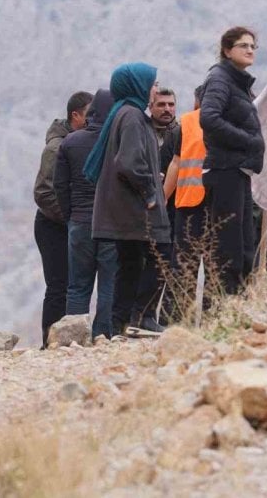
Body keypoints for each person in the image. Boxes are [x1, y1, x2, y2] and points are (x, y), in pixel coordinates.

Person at [86, 64, 170, 336]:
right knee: (162, 256)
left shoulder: (123, 114)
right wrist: (149, 191)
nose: (155, 89)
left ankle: (118, 324)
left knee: (130, 266)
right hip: (137, 210)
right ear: (138, 85)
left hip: (124, 209)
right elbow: (128, 162)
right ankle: (142, 317)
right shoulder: (132, 116)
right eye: (152, 84)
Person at [201, 27, 265, 295]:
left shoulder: (236, 82)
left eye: (252, 46)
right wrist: (248, 140)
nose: (250, 50)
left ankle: (236, 304)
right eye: (243, 45)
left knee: (245, 245)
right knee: (229, 248)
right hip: (225, 171)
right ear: (227, 51)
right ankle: (221, 307)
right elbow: (209, 117)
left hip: (240, 171)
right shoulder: (219, 80)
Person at [54, 90, 116, 339]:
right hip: (111, 223)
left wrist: (70, 214)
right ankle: (103, 336)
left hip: (79, 222)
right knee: (109, 284)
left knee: (78, 285)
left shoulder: (70, 142)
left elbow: (60, 185)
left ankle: (74, 337)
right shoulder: (116, 140)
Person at [33, 91, 93, 346]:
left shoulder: (82, 141)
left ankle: (70, 338)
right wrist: (69, 216)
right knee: (58, 286)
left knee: (73, 284)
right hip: (53, 225)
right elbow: (43, 192)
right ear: (75, 116)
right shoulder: (56, 148)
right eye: (89, 115)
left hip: (71, 223)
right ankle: (49, 341)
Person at [133, 86, 178, 332]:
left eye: (171, 104)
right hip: (143, 212)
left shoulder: (180, 133)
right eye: (161, 105)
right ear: (151, 107)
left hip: (173, 212)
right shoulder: (141, 132)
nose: (167, 109)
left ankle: (160, 322)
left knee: (167, 267)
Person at [160, 84, 207, 321]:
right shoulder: (233, 122)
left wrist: (164, 197)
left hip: (188, 204)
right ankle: (214, 320)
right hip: (219, 206)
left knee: (183, 267)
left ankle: (175, 323)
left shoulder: (186, 124)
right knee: (216, 267)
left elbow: (176, 165)